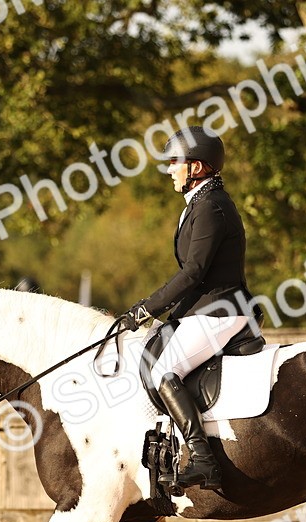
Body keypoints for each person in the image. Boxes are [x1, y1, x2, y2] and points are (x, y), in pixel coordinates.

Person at [123, 126, 256, 491]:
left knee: (166, 371)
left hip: (221, 310)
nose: (169, 170)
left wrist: (146, 308)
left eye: (174, 163)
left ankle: (203, 459)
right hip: (206, 309)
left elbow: (194, 271)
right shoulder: (200, 203)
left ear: (195, 167)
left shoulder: (212, 207)